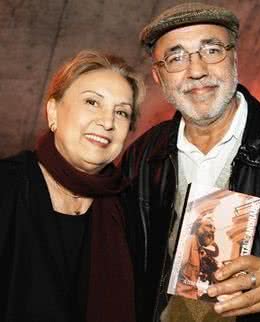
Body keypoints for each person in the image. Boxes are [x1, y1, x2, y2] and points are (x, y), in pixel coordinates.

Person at [121, 2, 260, 322]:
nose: (197, 70)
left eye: (211, 50)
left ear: (233, 58)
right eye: (176, 57)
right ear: (158, 76)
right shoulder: (143, 155)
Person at [0, 49, 144, 322]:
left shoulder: (132, 207)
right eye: (92, 102)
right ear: (53, 111)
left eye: (122, 113)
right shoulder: (7, 186)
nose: (107, 122)